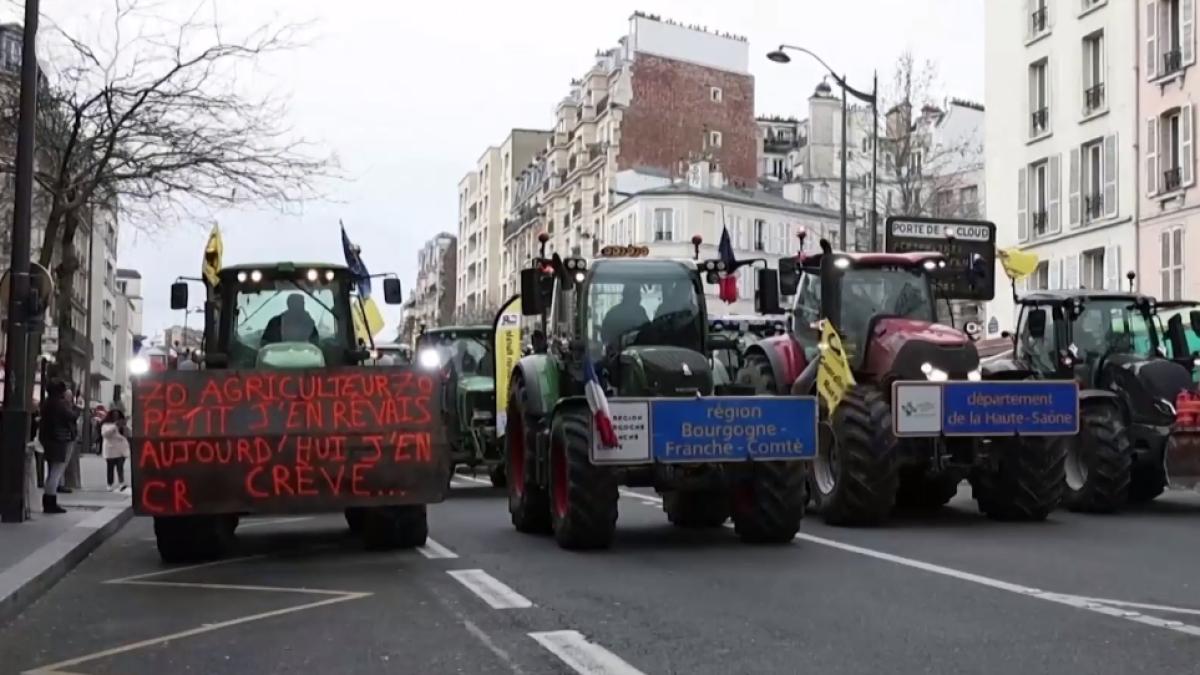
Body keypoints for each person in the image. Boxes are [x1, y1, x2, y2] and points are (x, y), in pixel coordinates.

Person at [38, 380, 79, 514]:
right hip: (59, 440)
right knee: (56, 472)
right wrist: (76, 407)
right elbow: (72, 416)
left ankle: (48, 501)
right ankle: (50, 501)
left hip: (48, 440)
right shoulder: (59, 405)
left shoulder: (46, 403)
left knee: (52, 472)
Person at [100, 410, 130, 492]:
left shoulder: (123, 426)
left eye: (118, 416)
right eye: (114, 415)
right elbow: (105, 434)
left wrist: (124, 427)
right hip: (111, 450)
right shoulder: (106, 425)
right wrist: (115, 426)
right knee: (110, 468)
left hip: (121, 450)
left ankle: (121, 483)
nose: (116, 417)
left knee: (120, 467)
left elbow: (126, 436)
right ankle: (110, 484)